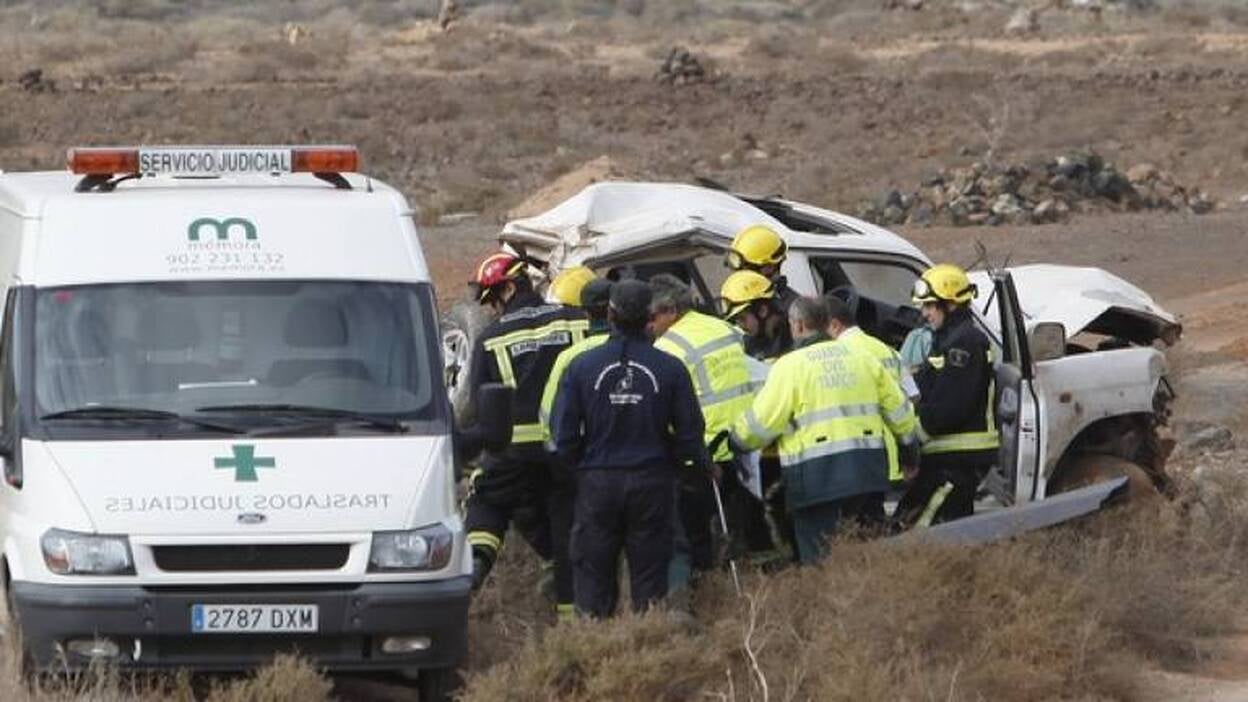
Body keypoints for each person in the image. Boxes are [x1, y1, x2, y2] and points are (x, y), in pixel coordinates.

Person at [552, 280, 708, 618]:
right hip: (651, 482)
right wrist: (685, 469)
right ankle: (646, 640)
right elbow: (690, 434)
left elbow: (563, 436)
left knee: (593, 582)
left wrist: (584, 468)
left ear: (610, 315)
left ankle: (596, 642)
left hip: (598, 483)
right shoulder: (670, 368)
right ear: (650, 317)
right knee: (650, 585)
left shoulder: (581, 367)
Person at [731, 297, 918, 563]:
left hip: (815, 479)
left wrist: (736, 440)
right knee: (869, 555)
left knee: (821, 561)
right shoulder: (862, 358)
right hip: (866, 474)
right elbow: (901, 413)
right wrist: (910, 452)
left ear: (798, 325)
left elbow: (762, 424)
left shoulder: (789, 367)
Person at [462, 252, 588, 598]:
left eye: (493, 300)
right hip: (569, 449)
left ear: (508, 290)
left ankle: (476, 562)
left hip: (513, 450)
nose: (492, 310)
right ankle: (571, 618)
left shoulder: (491, 339)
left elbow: (480, 406)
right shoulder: (576, 321)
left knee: (487, 498)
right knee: (565, 524)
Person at [649, 274, 755, 600]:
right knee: (738, 528)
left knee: (695, 533)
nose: (649, 325)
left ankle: (704, 595)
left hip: (702, 453)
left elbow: (670, 408)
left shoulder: (668, 347)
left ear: (671, 311)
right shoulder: (726, 328)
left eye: (652, 317)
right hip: (742, 444)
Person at [896, 264, 1000, 527]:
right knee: (911, 523)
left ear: (951, 304)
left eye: (930, 305)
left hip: (958, 458)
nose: (924, 313)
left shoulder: (965, 343)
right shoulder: (948, 339)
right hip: (946, 457)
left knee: (918, 531)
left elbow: (949, 408)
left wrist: (912, 439)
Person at [824, 295, 919, 529]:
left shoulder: (836, 355)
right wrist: (909, 452)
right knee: (876, 524)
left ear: (834, 325)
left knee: (851, 528)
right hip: (889, 458)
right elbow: (912, 397)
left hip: (852, 458)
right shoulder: (887, 350)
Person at [720, 270, 793, 361]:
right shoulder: (748, 346)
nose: (740, 325)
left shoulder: (798, 335)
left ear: (762, 311)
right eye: (736, 320)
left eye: (742, 318)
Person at [725, 224, 799, 312]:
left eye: (746, 270)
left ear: (769, 267)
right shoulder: (733, 298)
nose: (738, 276)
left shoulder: (792, 310)